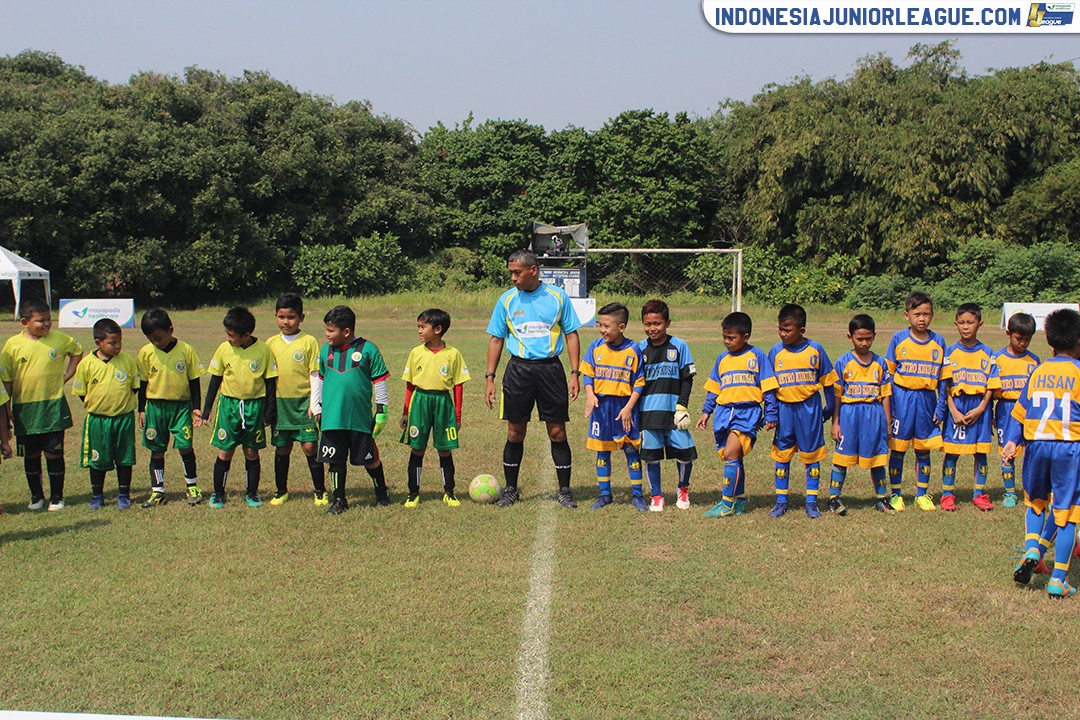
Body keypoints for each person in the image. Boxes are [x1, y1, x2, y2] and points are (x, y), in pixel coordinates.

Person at [484, 249, 582, 508]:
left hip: (551, 370)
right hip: (518, 371)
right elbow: (496, 339)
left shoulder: (557, 297)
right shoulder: (506, 300)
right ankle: (511, 490)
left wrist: (575, 373)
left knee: (557, 432)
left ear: (533, 270)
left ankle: (565, 491)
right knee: (515, 432)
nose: (513, 277)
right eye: (511, 273)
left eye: (517, 272)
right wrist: (490, 377)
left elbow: (572, 334)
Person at [1002, 308, 1080, 599]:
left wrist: (1012, 442)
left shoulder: (1038, 371)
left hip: (1036, 446)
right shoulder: (1078, 372)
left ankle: (1033, 548)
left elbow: (1019, 412)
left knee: (1036, 502)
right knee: (1067, 512)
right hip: (1068, 447)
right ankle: (1058, 579)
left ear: (1049, 341)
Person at [0, 297, 82, 511]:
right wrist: (7, 406)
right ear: (25, 322)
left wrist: (68, 375)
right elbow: (7, 379)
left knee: (54, 453)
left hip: (53, 406)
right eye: (40, 320)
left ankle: (56, 497)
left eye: (49, 319)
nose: (46, 324)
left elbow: (77, 351)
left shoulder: (59, 339)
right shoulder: (12, 345)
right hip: (25, 409)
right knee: (31, 454)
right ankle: (36, 496)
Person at [697, 312, 778, 518]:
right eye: (724, 336)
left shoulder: (757, 356)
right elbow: (714, 388)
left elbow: (768, 388)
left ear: (746, 336)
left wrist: (771, 414)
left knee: (730, 454)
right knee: (735, 457)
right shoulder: (722, 359)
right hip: (724, 413)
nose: (726, 341)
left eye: (731, 337)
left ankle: (726, 504)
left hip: (747, 413)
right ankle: (740, 500)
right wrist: (706, 411)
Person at [312, 305, 391, 515]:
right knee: (334, 460)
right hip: (332, 418)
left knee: (370, 459)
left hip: (359, 417)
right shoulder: (325, 350)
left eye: (331, 331)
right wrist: (317, 405)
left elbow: (380, 380)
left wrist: (381, 409)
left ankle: (381, 492)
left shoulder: (368, 349)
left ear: (346, 331)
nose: (326, 334)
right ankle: (339, 500)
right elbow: (320, 379)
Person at [197, 307, 278, 508]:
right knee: (225, 451)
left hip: (254, 406)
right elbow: (215, 381)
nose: (228, 338)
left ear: (247, 335)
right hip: (229, 406)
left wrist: (269, 411)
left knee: (251, 452)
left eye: (231, 335)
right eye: (227, 333)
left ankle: (252, 494)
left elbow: (270, 383)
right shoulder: (224, 349)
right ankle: (218, 493)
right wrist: (206, 409)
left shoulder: (263, 350)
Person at [767, 304, 835, 518]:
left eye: (787, 330)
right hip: (784, 410)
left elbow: (828, 381)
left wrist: (830, 407)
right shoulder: (775, 352)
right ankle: (781, 501)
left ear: (802, 330)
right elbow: (768, 387)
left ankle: (812, 502)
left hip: (809, 409)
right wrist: (771, 412)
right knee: (782, 454)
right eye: (780, 329)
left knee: (811, 455)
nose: (782, 333)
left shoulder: (815, 349)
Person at [399, 308, 471, 507]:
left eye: (423, 327)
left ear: (437, 329)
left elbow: (458, 387)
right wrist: (405, 413)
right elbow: (409, 384)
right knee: (417, 449)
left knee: (445, 450)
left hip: (443, 403)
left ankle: (449, 492)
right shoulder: (416, 353)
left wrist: (457, 417)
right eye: (418, 327)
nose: (419, 331)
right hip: (420, 402)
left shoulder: (453, 354)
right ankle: (413, 493)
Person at [136, 308, 205, 507]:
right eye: (151, 339)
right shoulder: (146, 353)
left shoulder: (186, 350)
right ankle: (158, 491)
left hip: (181, 408)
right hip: (155, 408)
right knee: (157, 449)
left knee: (185, 446)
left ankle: (192, 486)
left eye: (158, 338)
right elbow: (143, 383)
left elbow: (194, 381)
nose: (155, 342)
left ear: (171, 330)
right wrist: (142, 409)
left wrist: (196, 408)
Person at [885, 291, 947, 512]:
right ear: (907, 315)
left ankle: (922, 494)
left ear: (932, 315)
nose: (922, 319)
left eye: (926, 314)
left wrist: (941, 406)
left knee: (924, 449)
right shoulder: (898, 339)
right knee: (898, 449)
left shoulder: (938, 341)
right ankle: (896, 494)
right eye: (917, 314)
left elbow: (943, 379)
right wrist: (891, 407)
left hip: (926, 400)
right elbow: (889, 376)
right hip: (902, 399)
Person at [581, 302, 645, 510]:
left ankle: (637, 495)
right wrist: (590, 395)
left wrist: (629, 407)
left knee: (631, 450)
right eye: (600, 325)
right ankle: (605, 494)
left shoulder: (633, 350)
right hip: (601, 408)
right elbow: (588, 374)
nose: (602, 330)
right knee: (602, 451)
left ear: (622, 327)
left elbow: (639, 383)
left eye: (607, 326)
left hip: (624, 408)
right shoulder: (596, 347)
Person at [826, 314, 893, 514]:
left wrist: (888, 423)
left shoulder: (880, 363)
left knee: (877, 458)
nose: (864, 343)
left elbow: (886, 395)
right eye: (860, 339)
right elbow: (837, 396)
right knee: (842, 458)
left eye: (868, 339)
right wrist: (835, 422)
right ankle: (834, 498)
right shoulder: (843, 362)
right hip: (849, 415)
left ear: (874, 336)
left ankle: (881, 498)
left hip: (874, 415)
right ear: (850, 337)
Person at [938, 303, 1000, 511]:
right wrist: (953, 411)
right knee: (952, 452)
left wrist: (982, 407)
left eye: (970, 322)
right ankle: (947, 495)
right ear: (955, 324)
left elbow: (992, 384)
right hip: (957, 406)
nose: (966, 327)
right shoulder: (950, 352)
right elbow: (945, 387)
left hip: (979, 408)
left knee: (980, 452)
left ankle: (979, 494)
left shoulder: (988, 353)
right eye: (962, 322)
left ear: (980, 324)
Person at [265, 293, 326, 506]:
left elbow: (315, 374)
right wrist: (268, 407)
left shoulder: (309, 342)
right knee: (282, 448)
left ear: (301, 318)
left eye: (291, 317)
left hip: (303, 404)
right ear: (275, 316)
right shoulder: (270, 343)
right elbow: (267, 379)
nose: (286, 322)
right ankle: (281, 491)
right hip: (280, 405)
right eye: (281, 317)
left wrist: (315, 403)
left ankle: (320, 491)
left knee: (309, 446)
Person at [73, 318, 141, 509]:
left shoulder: (127, 361)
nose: (117, 346)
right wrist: (98, 405)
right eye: (112, 343)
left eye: (120, 341)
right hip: (98, 420)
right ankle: (97, 496)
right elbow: (82, 392)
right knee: (97, 459)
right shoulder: (86, 364)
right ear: (98, 342)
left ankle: (123, 495)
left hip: (123, 419)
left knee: (125, 458)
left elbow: (135, 387)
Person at [638, 299, 697, 512]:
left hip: (674, 413)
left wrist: (682, 405)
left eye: (657, 323)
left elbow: (687, 378)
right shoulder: (639, 349)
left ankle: (683, 489)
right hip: (648, 413)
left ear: (667, 323)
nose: (652, 328)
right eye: (648, 324)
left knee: (684, 452)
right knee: (651, 456)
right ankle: (656, 495)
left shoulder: (679, 346)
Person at [992, 312, 1038, 509]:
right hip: (1006, 410)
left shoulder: (1034, 361)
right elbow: (990, 390)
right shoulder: (997, 359)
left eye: (1027, 339)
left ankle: (1032, 489)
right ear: (1008, 333)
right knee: (1007, 452)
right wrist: (991, 414)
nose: (1023, 343)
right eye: (1019, 338)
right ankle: (1010, 492)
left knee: (1032, 452)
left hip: (1029, 412)